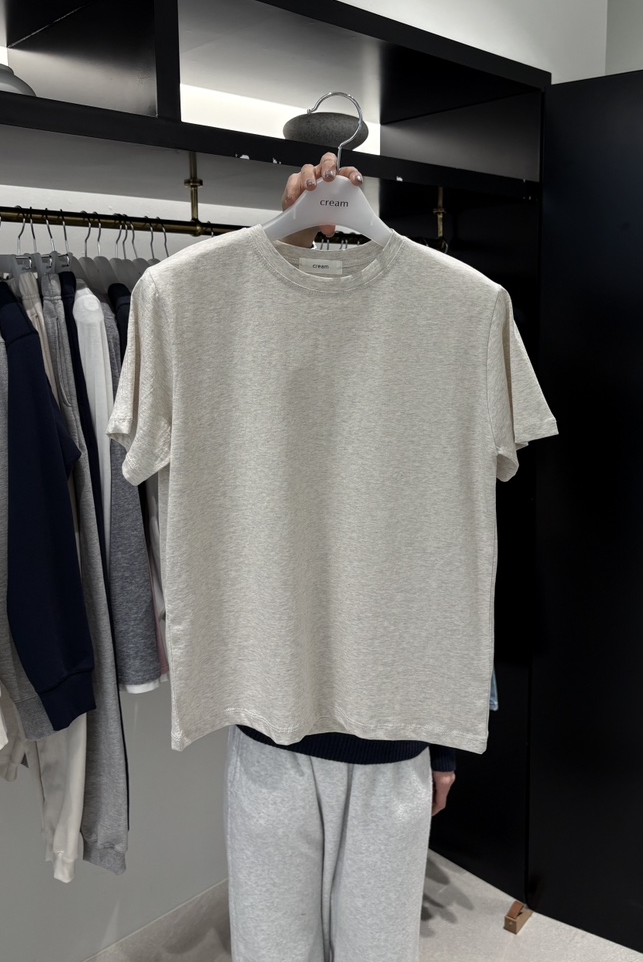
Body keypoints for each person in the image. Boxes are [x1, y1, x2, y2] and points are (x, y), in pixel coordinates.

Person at [223, 152, 457, 962]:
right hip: (272, 721)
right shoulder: (206, 304)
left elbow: (463, 539)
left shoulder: (460, 311)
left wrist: (449, 734)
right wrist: (290, 239)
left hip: (391, 726)